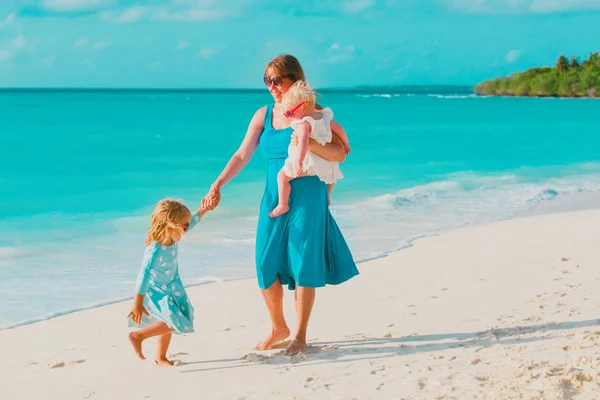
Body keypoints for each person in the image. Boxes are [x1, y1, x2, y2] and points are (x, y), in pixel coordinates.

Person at [202, 54, 359, 355]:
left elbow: (340, 154)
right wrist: (217, 184)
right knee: (265, 263)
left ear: (294, 79)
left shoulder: (313, 112)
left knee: (304, 263)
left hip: (309, 192)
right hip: (276, 193)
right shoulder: (263, 115)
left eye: (277, 80)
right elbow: (241, 155)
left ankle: (299, 335)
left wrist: (306, 141)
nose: (272, 86)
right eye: (267, 80)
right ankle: (278, 327)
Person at [127, 198, 207, 366]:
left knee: (176, 318)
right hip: (158, 291)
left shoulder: (172, 237)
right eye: (184, 226)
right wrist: (138, 303)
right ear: (172, 226)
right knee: (176, 322)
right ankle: (138, 336)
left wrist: (205, 209)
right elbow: (143, 275)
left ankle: (160, 357)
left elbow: (191, 222)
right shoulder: (155, 250)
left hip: (173, 286)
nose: (187, 228)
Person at [269, 80, 351, 218]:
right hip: (326, 161)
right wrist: (346, 144)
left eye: (290, 113)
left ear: (304, 105)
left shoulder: (303, 123)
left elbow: (303, 141)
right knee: (331, 176)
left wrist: (298, 161)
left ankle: (283, 204)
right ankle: (328, 196)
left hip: (309, 162)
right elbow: (340, 129)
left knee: (282, 177)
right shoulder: (324, 116)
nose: (289, 117)